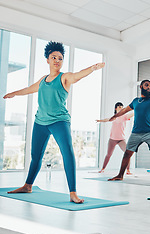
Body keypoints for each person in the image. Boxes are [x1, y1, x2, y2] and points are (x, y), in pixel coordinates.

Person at [3, 41, 105, 203]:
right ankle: (27, 186)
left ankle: (73, 192)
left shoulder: (64, 77)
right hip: (40, 122)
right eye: (54, 57)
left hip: (59, 122)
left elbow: (77, 75)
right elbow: (29, 89)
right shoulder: (43, 80)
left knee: (67, 153)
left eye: (60, 58)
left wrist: (92, 68)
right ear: (47, 60)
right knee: (36, 156)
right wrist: (13, 93)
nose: (57, 60)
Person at [96, 102, 134, 174]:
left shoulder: (125, 116)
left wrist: (138, 108)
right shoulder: (114, 117)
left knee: (127, 153)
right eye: (118, 106)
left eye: (121, 106)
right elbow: (107, 119)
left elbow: (132, 114)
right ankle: (103, 169)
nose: (120, 107)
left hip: (121, 139)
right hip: (112, 139)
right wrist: (100, 120)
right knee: (108, 154)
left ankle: (128, 170)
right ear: (116, 108)